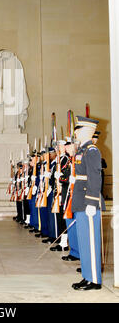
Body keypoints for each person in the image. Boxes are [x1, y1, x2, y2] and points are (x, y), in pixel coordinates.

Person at [71, 115, 105, 291]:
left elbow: (95, 176)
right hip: (80, 201)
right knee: (84, 241)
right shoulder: (82, 150)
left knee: (91, 241)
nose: (76, 132)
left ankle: (94, 280)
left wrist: (92, 202)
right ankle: (87, 275)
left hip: (88, 201)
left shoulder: (92, 150)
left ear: (88, 131)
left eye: (79, 129)